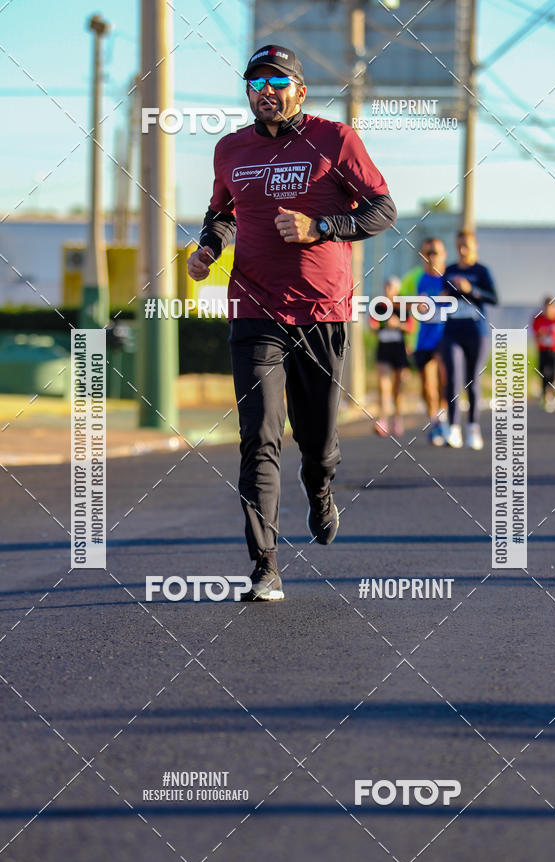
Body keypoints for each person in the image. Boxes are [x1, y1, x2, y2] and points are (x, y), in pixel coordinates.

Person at [187, 45, 396, 601]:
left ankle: (320, 486)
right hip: (254, 311)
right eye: (256, 81)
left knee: (319, 442)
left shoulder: (335, 140)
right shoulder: (230, 150)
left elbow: (381, 210)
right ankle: (265, 566)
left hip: (321, 312)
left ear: (300, 90)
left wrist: (320, 226)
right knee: (258, 436)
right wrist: (208, 247)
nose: (267, 90)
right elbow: (223, 214)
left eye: (279, 81)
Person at [442, 230, 498, 449]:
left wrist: (471, 289)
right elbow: (442, 295)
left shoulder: (482, 271)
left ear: (475, 246)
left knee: (472, 380)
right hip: (452, 331)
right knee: (453, 378)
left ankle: (473, 428)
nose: (463, 251)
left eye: (466, 246)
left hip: (477, 332)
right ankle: (453, 428)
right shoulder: (450, 270)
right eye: (459, 247)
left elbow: (494, 298)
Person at [412, 237, 448, 445]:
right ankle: (435, 421)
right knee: (427, 386)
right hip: (424, 338)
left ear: (444, 254)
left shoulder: (449, 278)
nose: (431, 256)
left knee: (444, 378)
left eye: (435, 252)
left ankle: (443, 420)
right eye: (428, 253)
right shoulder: (419, 280)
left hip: (445, 337)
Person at [370, 276, 413, 437]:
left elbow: (410, 327)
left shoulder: (402, 307)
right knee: (383, 385)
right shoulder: (378, 306)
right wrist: (380, 324)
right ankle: (382, 420)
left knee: (397, 387)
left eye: (391, 287)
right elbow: (373, 325)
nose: (388, 289)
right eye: (386, 286)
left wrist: (397, 324)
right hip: (384, 348)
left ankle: (397, 418)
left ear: (397, 289)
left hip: (399, 349)